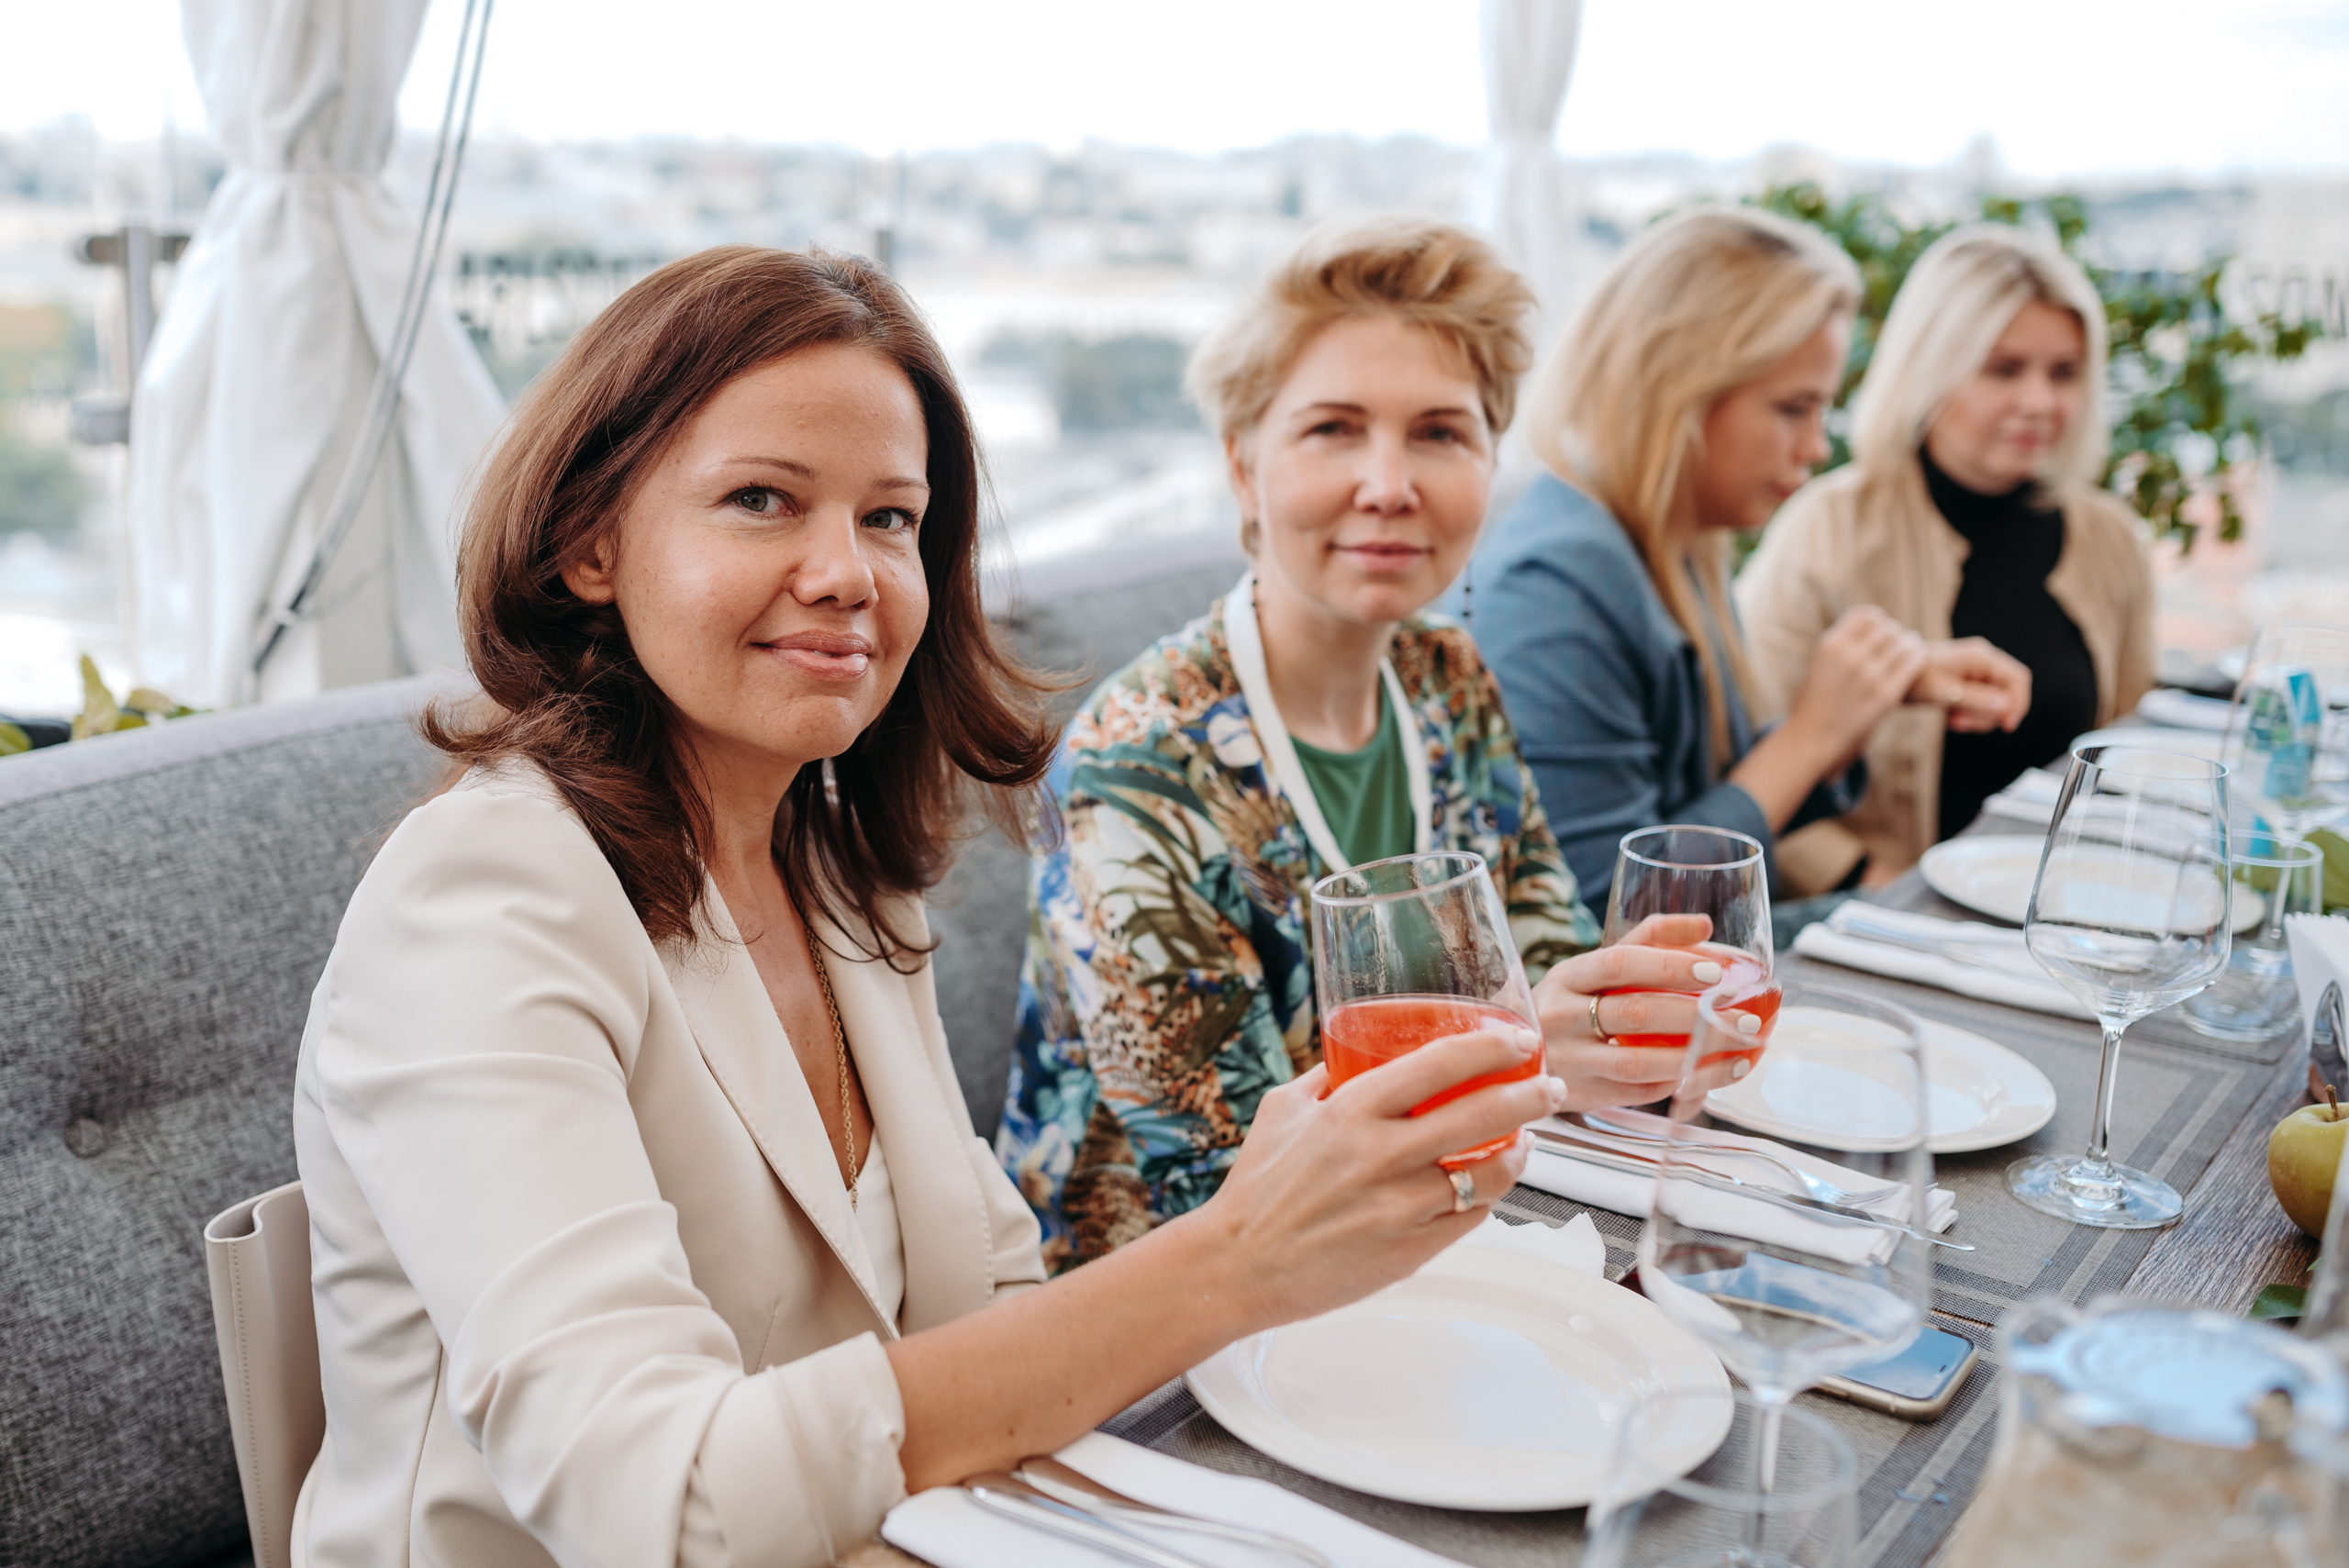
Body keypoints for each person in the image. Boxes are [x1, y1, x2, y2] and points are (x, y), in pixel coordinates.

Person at [291, 246, 1574, 1567]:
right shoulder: (483, 898)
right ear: (589, 544)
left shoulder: (830, 864)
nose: (846, 571)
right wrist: (1234, 1256)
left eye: (891, 518)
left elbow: (993, 1299)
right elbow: (660, 1503)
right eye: (762, 500)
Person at [999, 217, 1744, 1274]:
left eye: (1440, 432)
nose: (1389, 483)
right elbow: (1225, 1180)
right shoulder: (1134, 771)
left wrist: (1615, 1015)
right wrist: (1534, 1048)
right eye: (1334, 429)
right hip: (1162, 1313)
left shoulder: (1449, 679)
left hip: (1445, 1217)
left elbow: (1538, 951)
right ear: (1243, 467)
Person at [1454, 207, 2032, 904]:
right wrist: (1810, 738)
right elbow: (1601, 910)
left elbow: (1704, 798)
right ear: (1681, 392)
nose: (1817, 447)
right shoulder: (1555, 583)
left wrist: (1875, 691)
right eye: (1794, 408)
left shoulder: (1676, 538)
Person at [1738, 224, 2156, 875]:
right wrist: (1872, 888)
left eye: (2064, 373)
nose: (2040, 402)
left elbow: (2127, 747)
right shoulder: (1828, 525)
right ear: (1931, 370)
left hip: (2059, 909)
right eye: (2004, 369)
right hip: (1878, 917)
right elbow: (1755, 767)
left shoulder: (2112, 540)